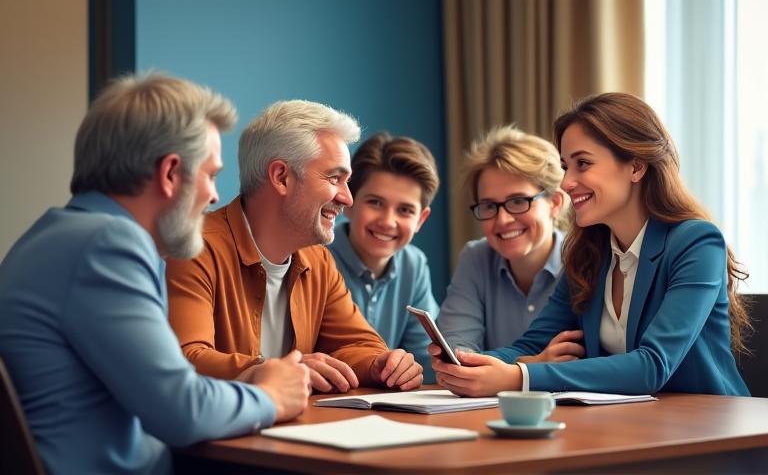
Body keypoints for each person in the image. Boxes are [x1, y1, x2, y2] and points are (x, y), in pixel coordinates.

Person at [0, 74, 311, 475]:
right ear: (169, 173)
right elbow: (182, 410)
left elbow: (164, 395)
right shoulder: (107, 245)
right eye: (211, 174)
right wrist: (272, 396)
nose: (215, 196)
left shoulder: (53, 235)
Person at [430, 92, 751, 397]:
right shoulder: (589, 254)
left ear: (636, 167)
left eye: (583, 163)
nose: (567, 182)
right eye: (566, 166)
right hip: (630, 429)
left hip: (710, 432)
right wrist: (462, 362)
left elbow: (653, 365)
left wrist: (520, 377)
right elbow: (532, 345)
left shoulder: (697, 243)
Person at [166, 100, 423, 394]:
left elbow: (357, 344)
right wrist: (284, 370)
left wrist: (382, 364)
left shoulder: (318, 260)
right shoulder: (194, 247)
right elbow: (187, 359)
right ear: (281, 177)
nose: (348, 198)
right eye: (335, 178)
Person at [437, 126, 566, 353]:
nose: (503, 219)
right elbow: (456, 355)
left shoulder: (585, 259)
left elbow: (581, 360)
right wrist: (531, 366)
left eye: (518, 201)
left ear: (555, 203)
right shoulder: (476, 258)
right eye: (489, 206)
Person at [328, 132, 441, 383]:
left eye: (404, 210)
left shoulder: (414, 265)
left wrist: (412, 372)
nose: (388, 222)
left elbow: (426, 361)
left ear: (420, 220)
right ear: (349, 202)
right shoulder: (315, 257)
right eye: (375, 202)